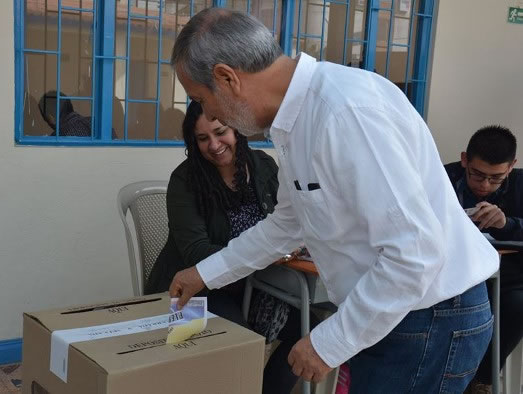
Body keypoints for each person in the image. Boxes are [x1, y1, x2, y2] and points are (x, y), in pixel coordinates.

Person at [167, 8, 499, 393]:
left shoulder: (344, 112)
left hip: (428, 319)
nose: (206, 113)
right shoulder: (296, 120)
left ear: (227, 78)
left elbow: (416, 253)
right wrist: (204, 273)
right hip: (397, 313)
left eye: (201, 99)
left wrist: (330, 342)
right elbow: (286, 224)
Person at [145, 100, 304, 394]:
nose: (215, 145)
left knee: (310, 330)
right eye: (203, 139)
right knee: (236, 343)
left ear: (237, 130)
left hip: (255, 286)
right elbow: (196, 253)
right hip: (192, 291)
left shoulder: (263, 166)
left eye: (220, 133)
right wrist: (264, 255)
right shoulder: (185, 180)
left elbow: (288, 222)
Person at [445, 125, 522, 394]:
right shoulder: (443, 179)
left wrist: (507, 223)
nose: (485, 185)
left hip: (509, 279)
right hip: (454, 275)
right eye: (477, 175)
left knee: (516, 304)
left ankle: (482, 381)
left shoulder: (521, 185)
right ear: (465, 159)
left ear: (511, 166)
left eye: (496, 178)